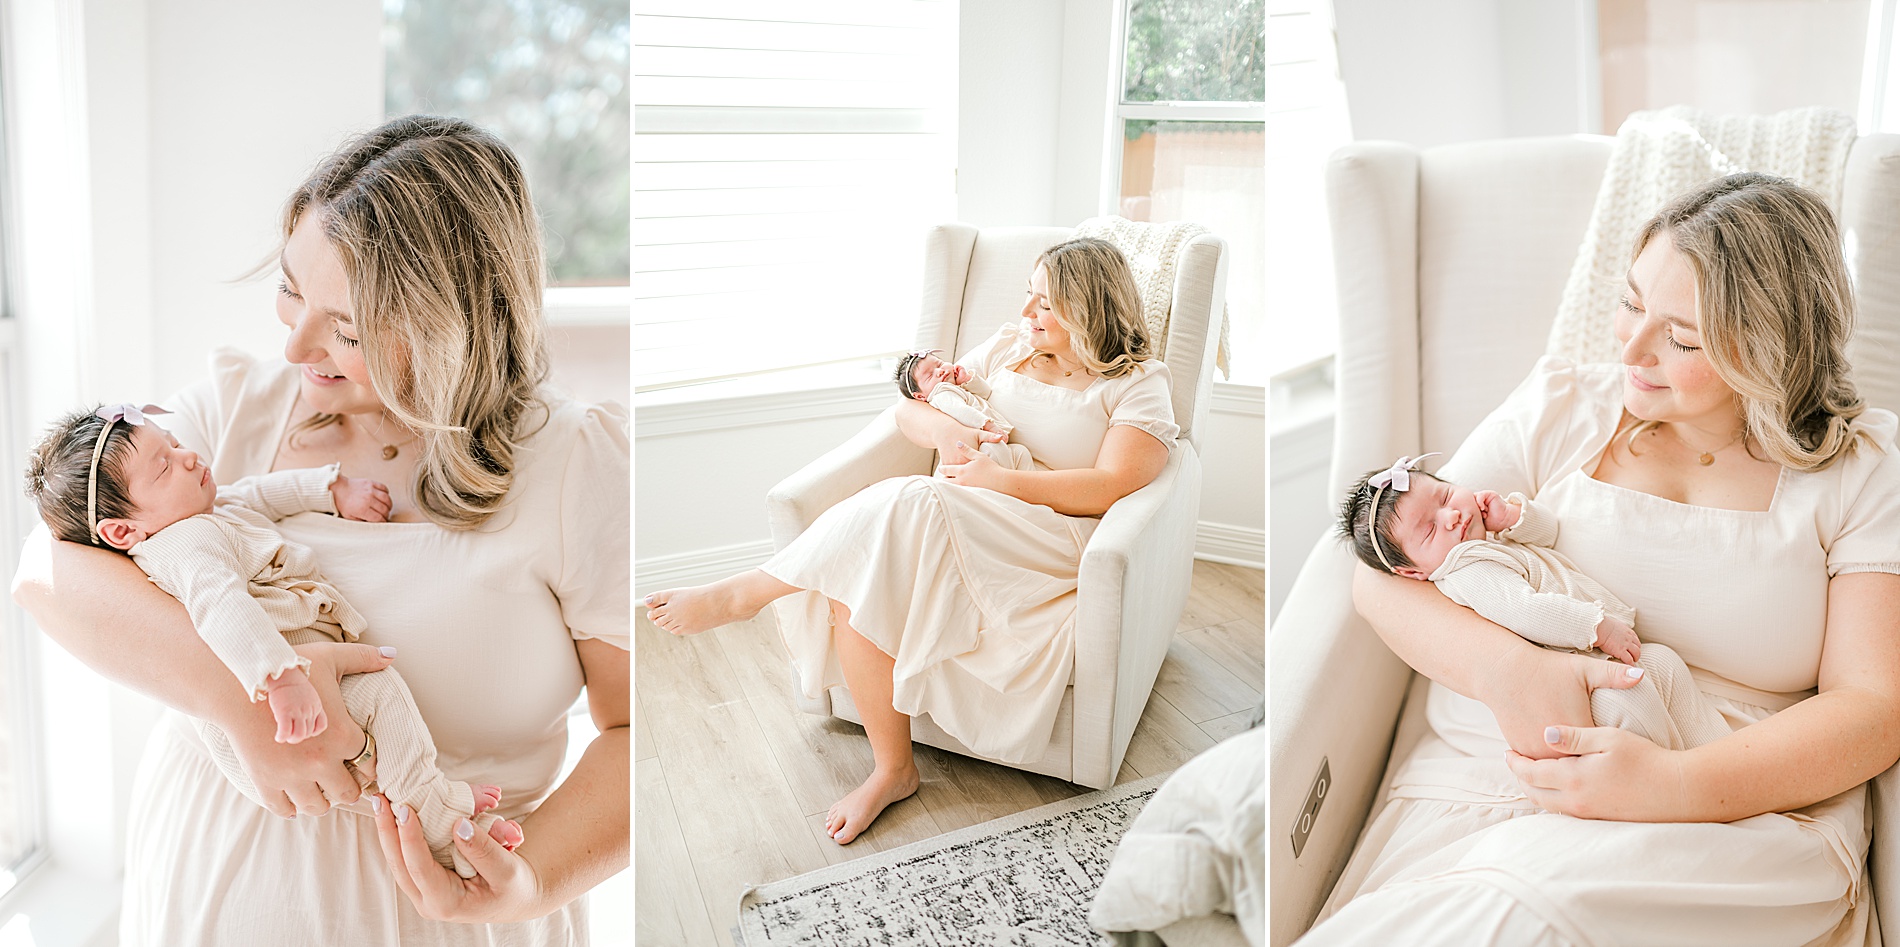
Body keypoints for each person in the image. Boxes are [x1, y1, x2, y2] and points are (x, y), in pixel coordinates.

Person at [10, 115, 628, 945]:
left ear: (459, 326)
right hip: (202, 883)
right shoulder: (230, 415)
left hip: (439, 913)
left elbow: (636, 729)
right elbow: (46, 572)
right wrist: (245, 703)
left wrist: (534, 878)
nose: (294, 344)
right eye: (292, 288)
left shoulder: (574, 465)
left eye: (348, 328)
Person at [1303, 172, 1900, 946]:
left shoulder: (1860, 468)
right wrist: (1512, 674)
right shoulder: (1562, 405)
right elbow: (1384, 579)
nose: (1631, 345)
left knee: (1522, 918)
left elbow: (1871, 709)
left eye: (1681, 337)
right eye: (1630, 302)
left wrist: (1671, 784)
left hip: (1733, 796)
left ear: (1769, 347)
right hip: (1506, 767)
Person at [646, 236, 1177, 844]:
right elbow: (909, 411)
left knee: (908, 501)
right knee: (863, 564)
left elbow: (1114, 485)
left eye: (1046, 304)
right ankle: (892, 770)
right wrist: (950, 432)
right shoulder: (1011, 346)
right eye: (1029, 296)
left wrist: (1001, 479)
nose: (1028, 314)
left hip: (1051, 535)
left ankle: (748, 592)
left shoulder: (1138, 382)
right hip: (972, 508)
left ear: (1090, 309)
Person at [22, 403, 525, 878]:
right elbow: (223, 607)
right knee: (382, 696)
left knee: (370, 763)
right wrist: (280, 678)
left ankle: (434, 805)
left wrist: (331, 491)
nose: (188, 456)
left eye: (174, 444)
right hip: (276, 700)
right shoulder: (187, 544)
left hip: (294, 702)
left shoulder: (204, 511)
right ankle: (444, 826)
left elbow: (264, 493)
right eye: (164, 467)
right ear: (121, 532)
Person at [1337, 453, 1728, 752]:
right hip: (1582, 672)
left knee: (1665, 664)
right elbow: (1527, 610)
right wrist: (1596, 628)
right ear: (1412, 572)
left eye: (1443, 495)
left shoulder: (1484, 540)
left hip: (1603, 655)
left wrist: (1511, 518)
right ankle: (1664, 774)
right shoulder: (1466, 572)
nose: (1452, 515)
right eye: (1429, 529)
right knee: (1632, 700)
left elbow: (1550, 534)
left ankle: (1718, 754)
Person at [893, 349, 1038, 471]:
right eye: (929, 375)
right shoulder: (941, 394)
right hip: (980, 447)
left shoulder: (955, 388)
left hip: (992, 442)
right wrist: (988, 425)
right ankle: (1008, 490)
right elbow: (961, 411)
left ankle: (1027, 490)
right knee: (998, 451)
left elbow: (986, 393)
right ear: (920, 396)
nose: (940, 371)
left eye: (939, 364)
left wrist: (967, 379)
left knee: (1021, 452)